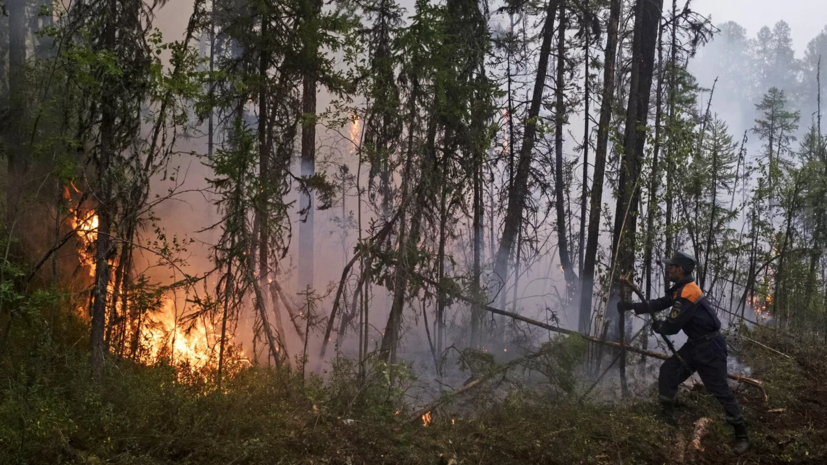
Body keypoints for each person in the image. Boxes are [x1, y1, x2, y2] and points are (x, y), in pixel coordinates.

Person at [617, 251, 749, 455]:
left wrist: (659, 326)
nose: (668, 269)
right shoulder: (681, 288)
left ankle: (742, 435)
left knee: (720, 390)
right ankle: (667, 416)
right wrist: (631, 306)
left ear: (680, 269)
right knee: (669, 370)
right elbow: (660, 303)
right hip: (695, 345)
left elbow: (672, 326)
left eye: (671, 266)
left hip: (710, 348)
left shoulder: (688, 293)